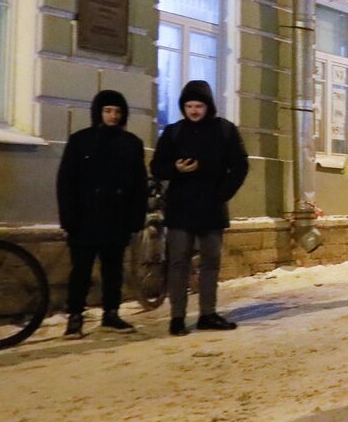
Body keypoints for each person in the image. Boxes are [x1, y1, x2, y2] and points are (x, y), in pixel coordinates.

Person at [150, 80, 249, 336]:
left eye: (199, 106)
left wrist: (222, 193)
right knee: (178, 262)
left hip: (211, 206)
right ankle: (177, 317)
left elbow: (240, 165)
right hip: (180, 207)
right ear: (183, 107)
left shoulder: (224, 130)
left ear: (208, 106)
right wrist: (175, 169)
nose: (194, 111)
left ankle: (208, 313)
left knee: (210, 262)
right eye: (189, 106)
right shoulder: (173, 132)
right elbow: (157, 167)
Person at [56, 89, 148, 337]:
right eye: (108, 110)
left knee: (113, 270)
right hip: (85, 218)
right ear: (98, 112)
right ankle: (75, 315)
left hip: (116, 217)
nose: (113, 116)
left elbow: (139, 185)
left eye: (117, 111)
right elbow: (66, 182)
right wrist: (68, 218)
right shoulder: (80, 141)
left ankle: (111, 313)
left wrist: (136, 218)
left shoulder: (131, 144)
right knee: (81, 271)